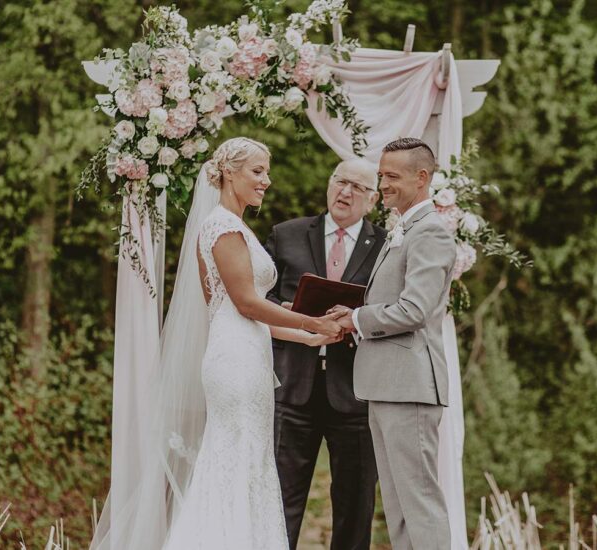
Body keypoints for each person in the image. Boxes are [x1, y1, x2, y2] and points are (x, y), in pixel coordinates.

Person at [160, 137, 346, 550]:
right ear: (229, 172)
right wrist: (309, 319)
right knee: (237, 460)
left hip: (248, 355)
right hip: (235, 364)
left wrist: (308, 335)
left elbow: (244, 315)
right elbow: (246, 304)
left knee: (249, 461)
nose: (267, 180)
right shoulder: (223, 227)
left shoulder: (236, 226)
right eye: (257, 171)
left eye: (267, 172)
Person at [331, 137, 456, 550]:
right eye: (381, 175)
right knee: (399, 506)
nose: (382, 184)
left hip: (410, 386)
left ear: (422, 178)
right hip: (385, 385)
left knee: (419, 502)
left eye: (392, 177)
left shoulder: (430, 233)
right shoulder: (402, 229)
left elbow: (414, 310)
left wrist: (356, 319)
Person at [264, 158, 387, 549]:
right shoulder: (287, 234)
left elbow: (393, 309)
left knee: (355, 504)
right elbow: (258, 298)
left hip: (356, 391)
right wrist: (290, 311)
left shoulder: (386, 246)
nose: (345, 192)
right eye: (339, 181)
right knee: (279, 499)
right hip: (292, 387)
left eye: (357, 187)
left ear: (373, 200)